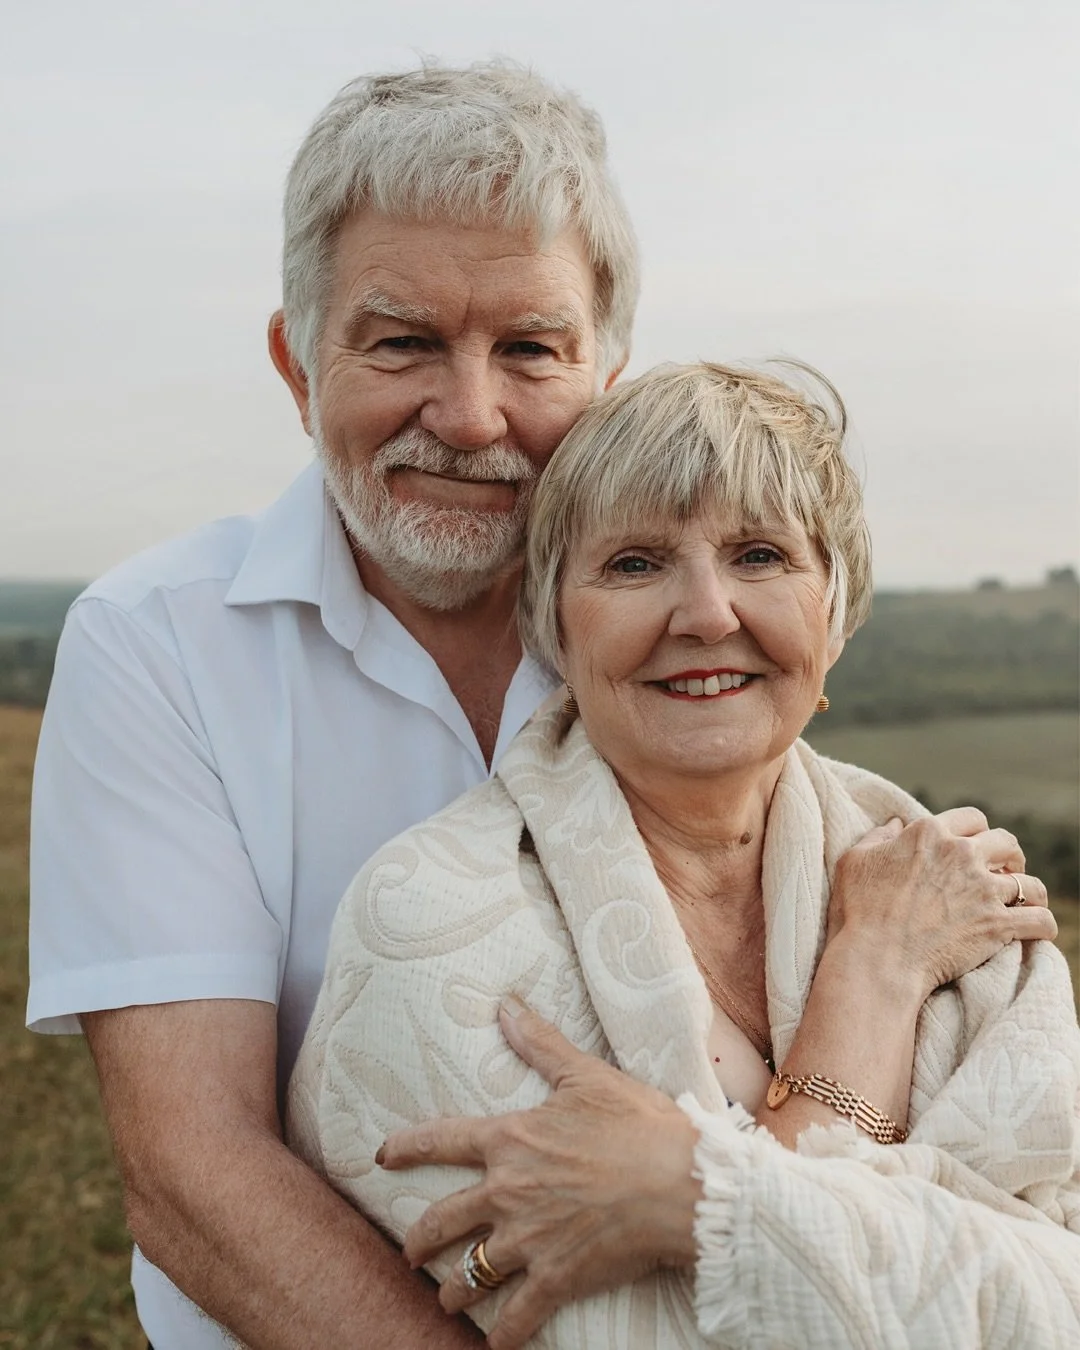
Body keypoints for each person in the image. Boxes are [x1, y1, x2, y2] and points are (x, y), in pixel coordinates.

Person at [27, 62, 636, 1349]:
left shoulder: (678, 631)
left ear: (609, 374)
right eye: (403, 340)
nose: (471, 416)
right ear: (298, 361)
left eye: (530, 349)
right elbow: (196, 1178)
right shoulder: (157, 647)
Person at [287, 362, 1080, 1349]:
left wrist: (686, 1197)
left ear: (833, 608)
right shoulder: (429, 925)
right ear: (553, 623)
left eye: (758, 555)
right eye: (633, 564)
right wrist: (870, 986)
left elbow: (1063, 1292)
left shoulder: (943, 882)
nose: (707, 613)